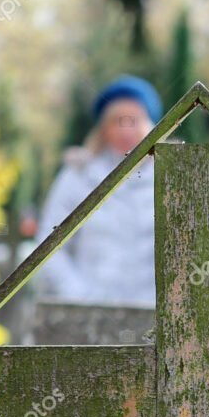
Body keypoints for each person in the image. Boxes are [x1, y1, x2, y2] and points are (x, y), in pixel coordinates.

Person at [35, 75, 162, 306]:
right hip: (89, 310)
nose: (126, 131)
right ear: (103, 128)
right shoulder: (78, 174)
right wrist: (78, 293)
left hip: (154, 312)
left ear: (150, 125)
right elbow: (48, 242)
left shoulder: (168, 174)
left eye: (134, 120)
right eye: (117, 121)